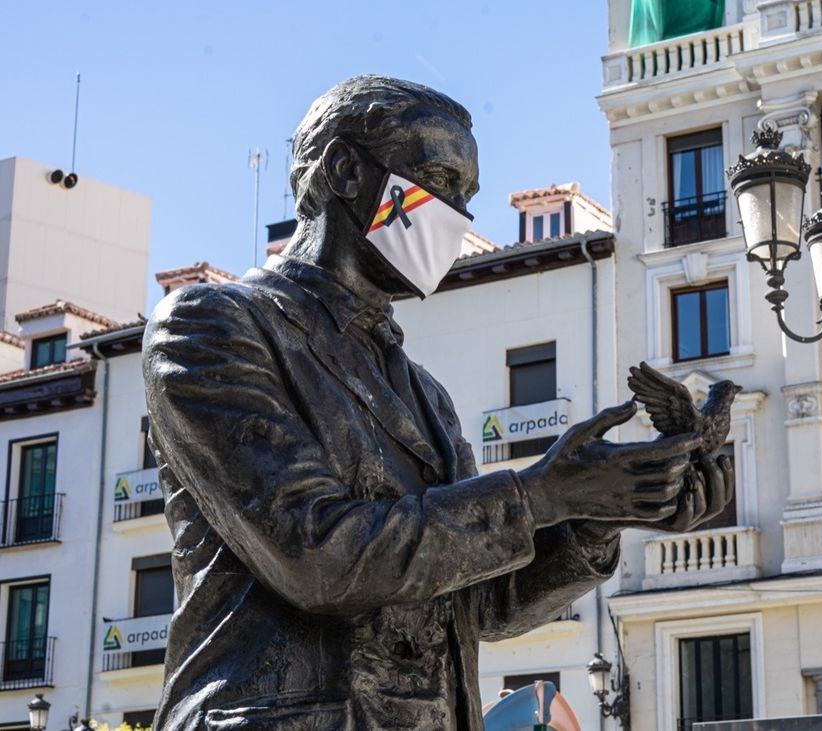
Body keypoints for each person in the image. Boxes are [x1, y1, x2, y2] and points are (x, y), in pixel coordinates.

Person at [142, 75, 733, 731]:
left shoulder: (425, 394)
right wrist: (543, 494)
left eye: (466, 197)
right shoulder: (211, 326)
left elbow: (477, 602)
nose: (455, 217)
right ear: (345, 170)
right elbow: (317, 554)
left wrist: (602, 511)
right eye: (439, 181)